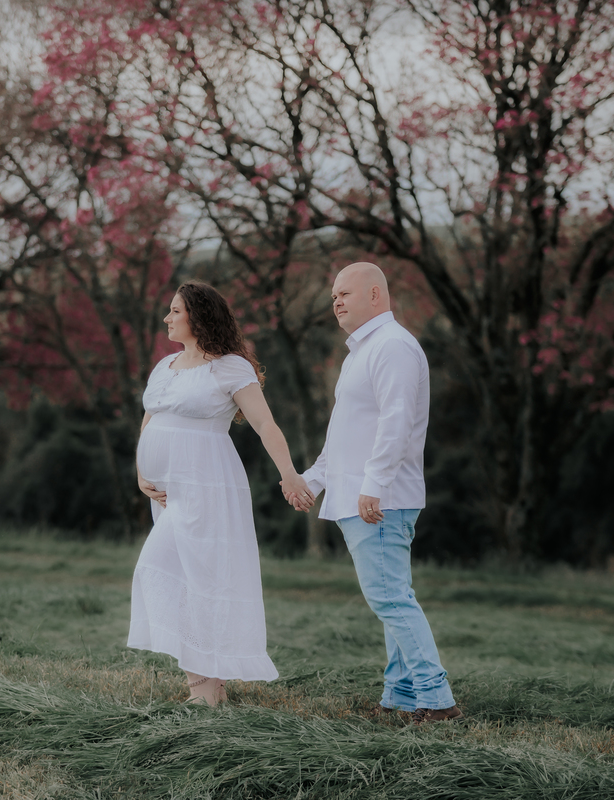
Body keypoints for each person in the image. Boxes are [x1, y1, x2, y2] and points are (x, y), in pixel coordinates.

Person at [285, 262, 463, 725]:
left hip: (380, 499)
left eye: (345, 293)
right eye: (333, 296)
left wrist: (375, 485)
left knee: (390, 599)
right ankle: (400, 696)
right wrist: (313, 480)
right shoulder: (361, 353)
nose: (336, 302)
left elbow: (396, 424)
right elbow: (346, 435)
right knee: (391, 597)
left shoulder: (393, 346)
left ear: (375, 295)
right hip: (362, 496)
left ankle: (437, 700)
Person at [129, 280, 313, 706]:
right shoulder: (165, 366)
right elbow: (150, 420)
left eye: (175, 311)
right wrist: (141, 473)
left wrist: (289, 474)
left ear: (198, 316)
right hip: (167, 491)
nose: (167, 318)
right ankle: (207, 690)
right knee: (184, 579)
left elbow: (265, 424)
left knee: (184, 573)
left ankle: (206, 689)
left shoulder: (230, 368)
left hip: (206, 483)